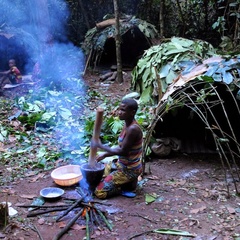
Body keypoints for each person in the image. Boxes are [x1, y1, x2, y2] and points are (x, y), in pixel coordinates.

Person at [92, 98, 143, 199]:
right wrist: (104, 155)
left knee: (99, 192)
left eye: (123, 110)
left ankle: (123, 187)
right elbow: (121, 147)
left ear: (132, 112)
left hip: (129, 169)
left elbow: (123, 151)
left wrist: (101, 146)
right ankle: (128, 182)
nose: (119, 112)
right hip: (121, 164)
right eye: (119, 109)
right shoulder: (127, 124)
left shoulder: (133, 129)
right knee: (97, 174)